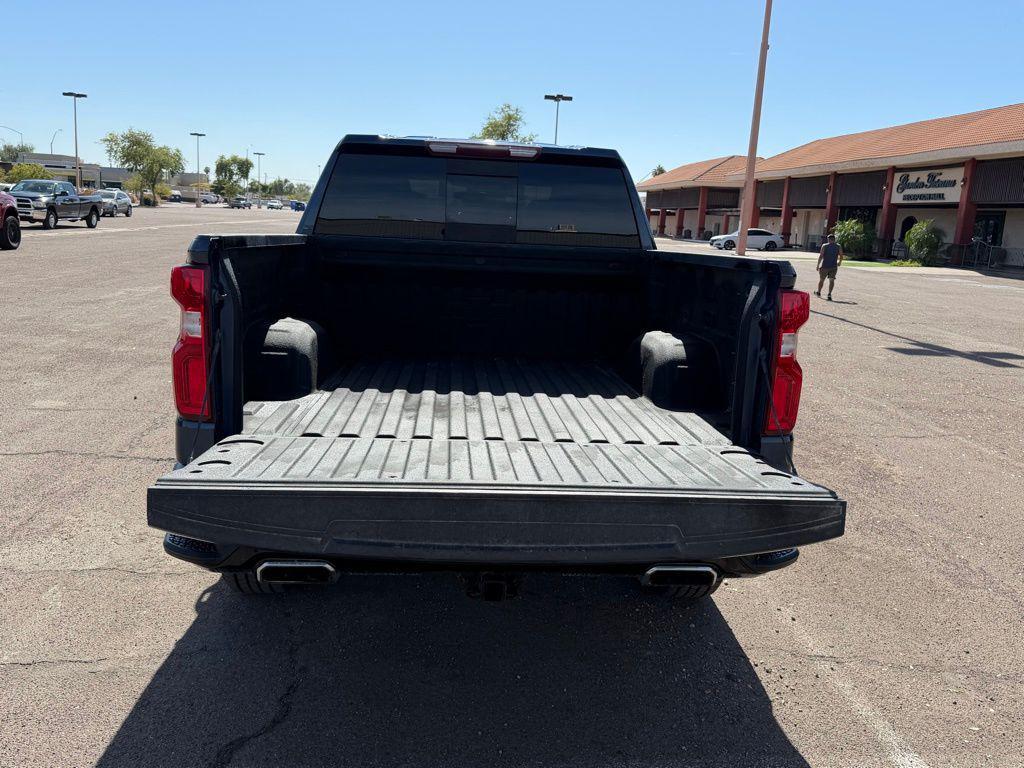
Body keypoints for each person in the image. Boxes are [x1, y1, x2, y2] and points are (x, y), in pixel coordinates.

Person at [815, 234, 844, 300]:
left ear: (828, 239)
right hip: (833, 266)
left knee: (821, 280)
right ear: (834, 239)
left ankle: (819, 292)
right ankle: (829, 294)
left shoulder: (824, 246)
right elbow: (841, 255)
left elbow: (821, 256)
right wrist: (839, 262)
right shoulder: (838, 246)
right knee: (832, 280)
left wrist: (818, 265)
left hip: (825, 266)